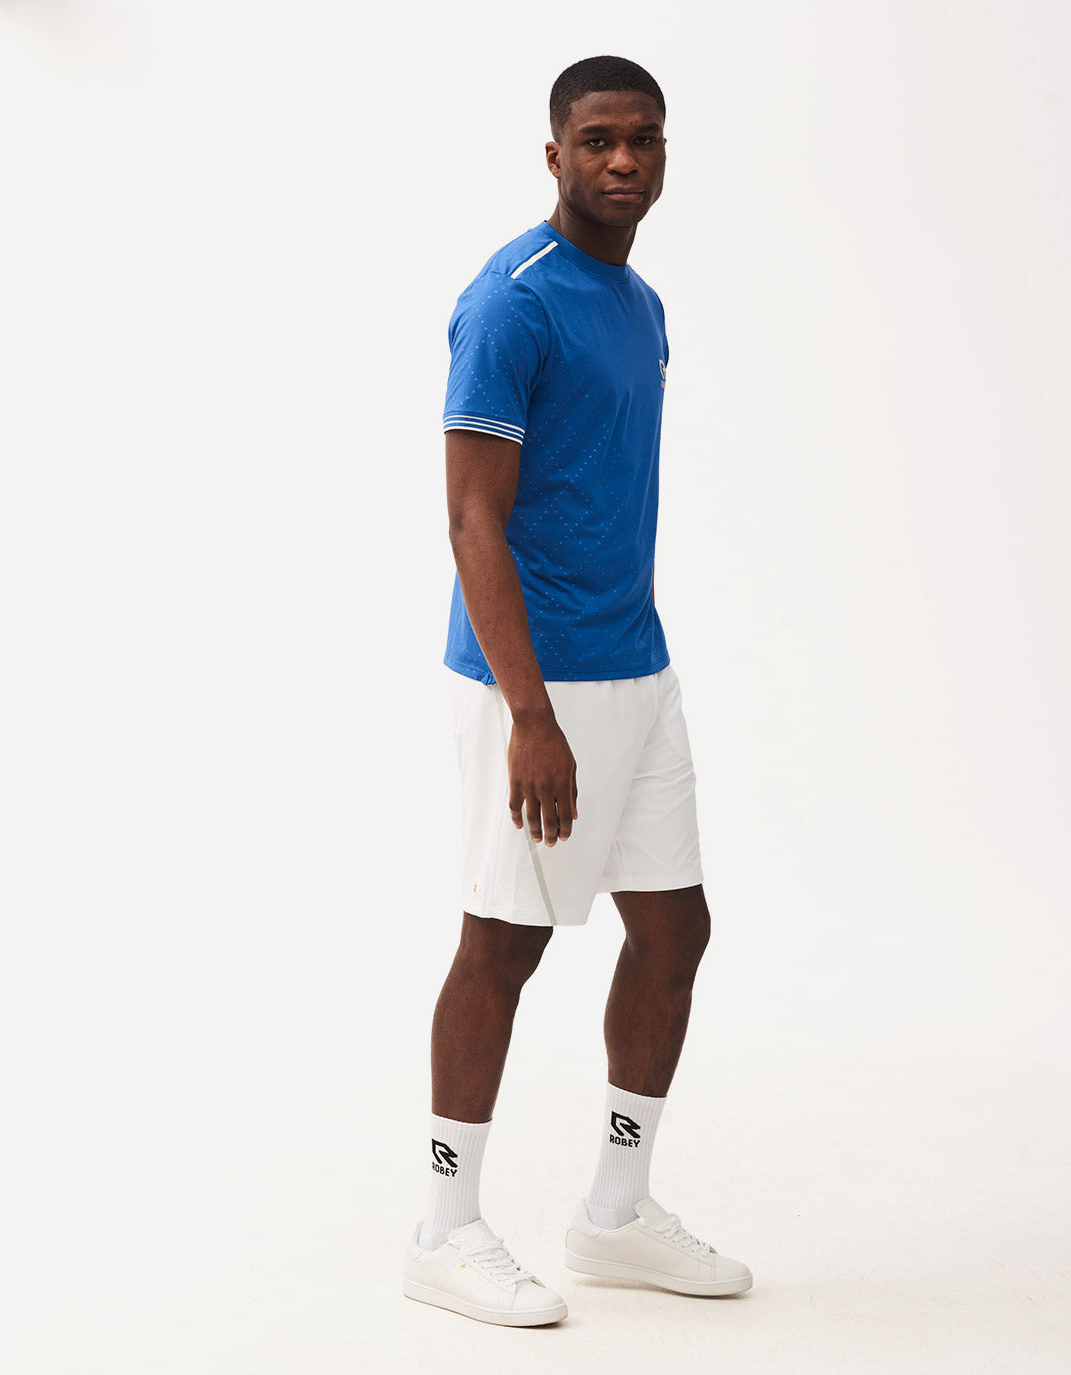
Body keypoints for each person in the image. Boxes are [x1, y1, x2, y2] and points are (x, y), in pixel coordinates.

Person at [402, 55, 753, 1328]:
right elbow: (471, 519)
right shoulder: (511, 303)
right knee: (504, 943)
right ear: (553, 153)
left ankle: (613, 1212)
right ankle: (442, 1229)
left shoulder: (641, 304)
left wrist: (617, 682)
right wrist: (530, 715)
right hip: (534, 685)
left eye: (642, 139)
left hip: (636, 671)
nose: (622, 160)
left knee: (673, 930)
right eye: (597, 139)